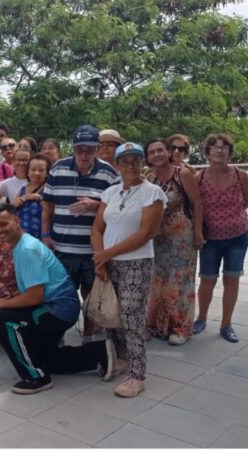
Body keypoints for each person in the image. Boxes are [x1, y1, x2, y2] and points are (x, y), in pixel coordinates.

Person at [0, 204, 117, 395]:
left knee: (3, 319)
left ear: (17, 222)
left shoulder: (27, 249)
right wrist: (12, 298)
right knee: (44, 358)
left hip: (58, 309)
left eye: (3, 224)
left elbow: (35, 296)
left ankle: (36, 378)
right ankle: (98, 353)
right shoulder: (21, 245)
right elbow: (32, 288)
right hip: (54, 306)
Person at [91, 143, 166, 397]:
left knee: (132, 317)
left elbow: (146, 233)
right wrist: (101, 260)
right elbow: (96, 229)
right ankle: (120, 359)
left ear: (143, 163)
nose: (130, 165)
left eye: (136, 160)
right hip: (108, 262)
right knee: (112, 314)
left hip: (137, 262)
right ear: (117, 164)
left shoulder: (152, 193)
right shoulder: (110, 193)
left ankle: (137, 373)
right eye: (125, 161)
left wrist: (107, 254)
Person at [41, 125, 119, 340]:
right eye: (80, 149)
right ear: (73, 149)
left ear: (98, 148)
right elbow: (47, 204)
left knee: (92, 295)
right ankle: (57, 336)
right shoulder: (58, 168)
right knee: (61, 295)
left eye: (89, 149)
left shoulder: (109, 173)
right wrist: (45, 235)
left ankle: (89, 336)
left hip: (93, 249)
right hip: (62, 247)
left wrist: (96, 205)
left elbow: (119, 207)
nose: (84, 154)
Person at [145, 138, 203, 345]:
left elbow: (197, 204)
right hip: (158, 238)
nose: (157, 154)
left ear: (168, 152)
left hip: (182, 237)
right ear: (148, 158)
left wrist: (198, 232)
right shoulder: (149, 178)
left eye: (160, 150)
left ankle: (179, 327)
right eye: (152, 152)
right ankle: (157, 325)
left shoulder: (183, 174)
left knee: (180, 281)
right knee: (158, 280)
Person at [194, 133, 248, 342]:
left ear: (229, 152)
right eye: (214, 147)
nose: (219, 150)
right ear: (207, 152)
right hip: (211, 238)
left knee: (232, 279)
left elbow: (246, 202)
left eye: (224, 147)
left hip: (237, 235)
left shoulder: (240, 175)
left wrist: (231, 217)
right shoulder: (199, 177)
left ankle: (226, 324)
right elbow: (196, 207)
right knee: (207, 280)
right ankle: (201, 318)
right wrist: (198, 232)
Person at [12, 154, 51, 239]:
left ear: (47, 173)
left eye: (41, 170)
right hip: (20, 238)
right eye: (33, 169)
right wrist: (24, 198)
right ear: (28, 171)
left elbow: (50, 214)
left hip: (40, 239)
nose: (36, 173)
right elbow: (12, 209)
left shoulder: (49, 190)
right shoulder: (23, 189)